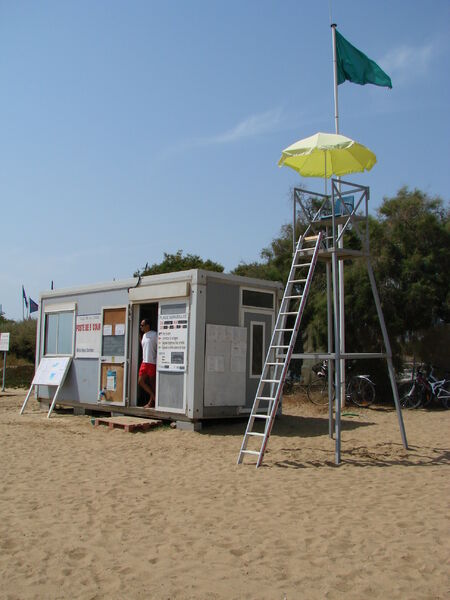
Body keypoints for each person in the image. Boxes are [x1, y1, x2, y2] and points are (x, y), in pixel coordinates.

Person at [139, 318, 157, 408]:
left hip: (152, 362)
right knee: (141, 382)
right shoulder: (144, 336)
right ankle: (154, 397)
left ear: (147, 325)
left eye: (142, 325)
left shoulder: (154, 335)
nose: (140, 327)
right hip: (144, 362)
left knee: (152, 383)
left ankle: (151, 402)